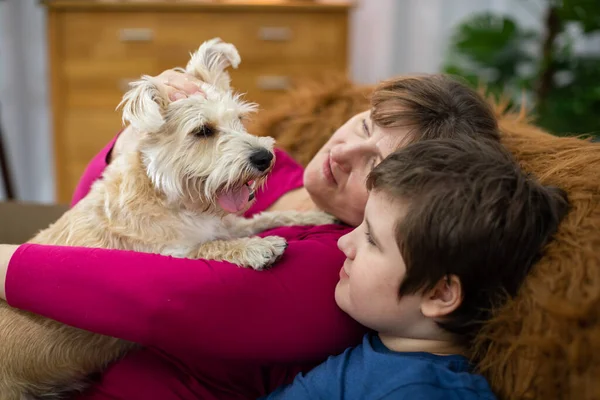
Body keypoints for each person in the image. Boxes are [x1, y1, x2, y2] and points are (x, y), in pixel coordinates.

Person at [0, 71, 501, 400]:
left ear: (408, 192)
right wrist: (133, 145)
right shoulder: (273, 167)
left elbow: (160, 297)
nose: (346, 151)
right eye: (365, 124)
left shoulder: (341, 262)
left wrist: (5, 263)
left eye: (376, 163)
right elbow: (94, 208)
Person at [260, 137, 568, 399]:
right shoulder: (387, 340)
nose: (344, 243)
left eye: (371, 238)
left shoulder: (420, 391)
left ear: (439, 293)